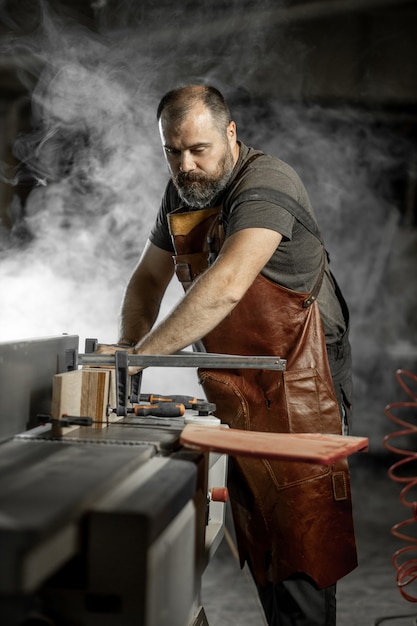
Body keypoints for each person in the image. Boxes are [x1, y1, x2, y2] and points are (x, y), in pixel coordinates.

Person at [98, 85, 357, 625]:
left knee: (301, 549)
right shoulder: (184, 193)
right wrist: (125, 350)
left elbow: (228, 285)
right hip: (240, 391)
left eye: (199, 149)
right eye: (173, 152)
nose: (186, 165)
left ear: (231, 134)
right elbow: (148, 281)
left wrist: (142, 357)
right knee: (263, 541)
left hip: (301, 388)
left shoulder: (266, 183)